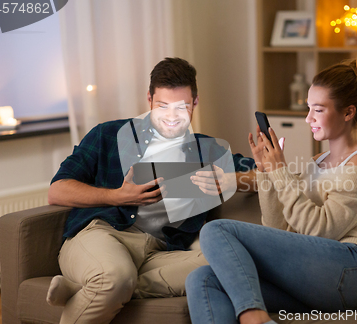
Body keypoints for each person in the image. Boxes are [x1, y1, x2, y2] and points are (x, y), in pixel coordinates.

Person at [46, 57, 256, 324]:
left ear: (195, 103)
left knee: (230, 262)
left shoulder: (207, 150)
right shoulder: (108, 135)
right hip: (102, 232)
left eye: (182, 107)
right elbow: (57, 190)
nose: (172, 118)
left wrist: (231, 181)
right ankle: (107, 285)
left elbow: (262, 176)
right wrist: (117, 196)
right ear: (149, 99)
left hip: (161, 250)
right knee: (115, 276)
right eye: (162, 107)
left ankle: (88, 290)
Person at [185, 58, 357, 324]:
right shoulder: (316, 163)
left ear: (348, 112)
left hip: (349, 271)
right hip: (314, 273)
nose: (308, 118)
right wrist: (268, 173)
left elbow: (321, 230)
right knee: (202, 279)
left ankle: (256, 318)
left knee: (215, 229)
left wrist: (280, 170)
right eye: (308, 108)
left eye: (318, 110)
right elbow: (279, 228)